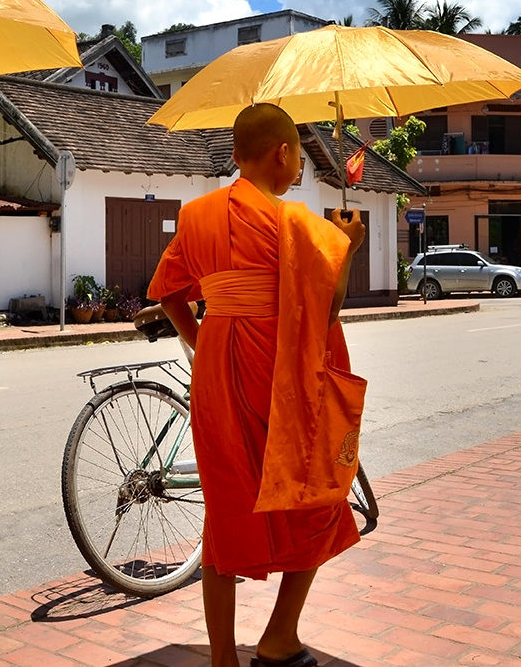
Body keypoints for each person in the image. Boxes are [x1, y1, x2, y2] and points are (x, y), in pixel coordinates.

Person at [148, 103, 366, 667]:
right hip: (280, 371)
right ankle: (278, 636)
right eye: (296, 158)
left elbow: (169, 291)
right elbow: (328, 308)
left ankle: (223, 657)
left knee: (223, 510)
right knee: (318, 495)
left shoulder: (195, 214)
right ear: (284, 154)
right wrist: (349, 250)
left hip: (218, 366)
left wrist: (202, 339)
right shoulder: (298, 224)